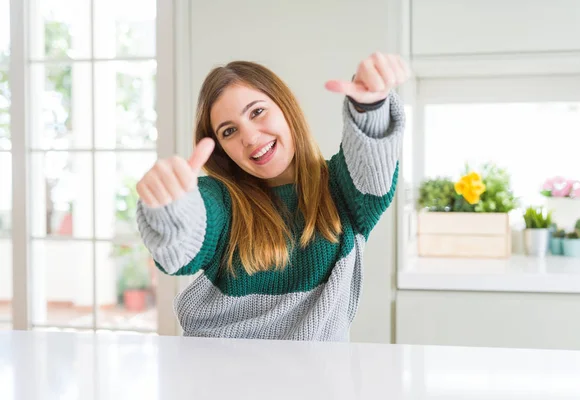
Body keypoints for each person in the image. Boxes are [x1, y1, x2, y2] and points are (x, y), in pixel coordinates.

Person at [136, 52, 407, 341]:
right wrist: (169, 205)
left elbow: (371, 165)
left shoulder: (343, 188)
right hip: (215, 372)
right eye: (229, 131)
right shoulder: (222, 201)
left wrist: (372, 107)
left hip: (316, 379)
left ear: (287, 108)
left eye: (257, 112)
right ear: (221, 150)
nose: (250, 138)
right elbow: (182, 243)